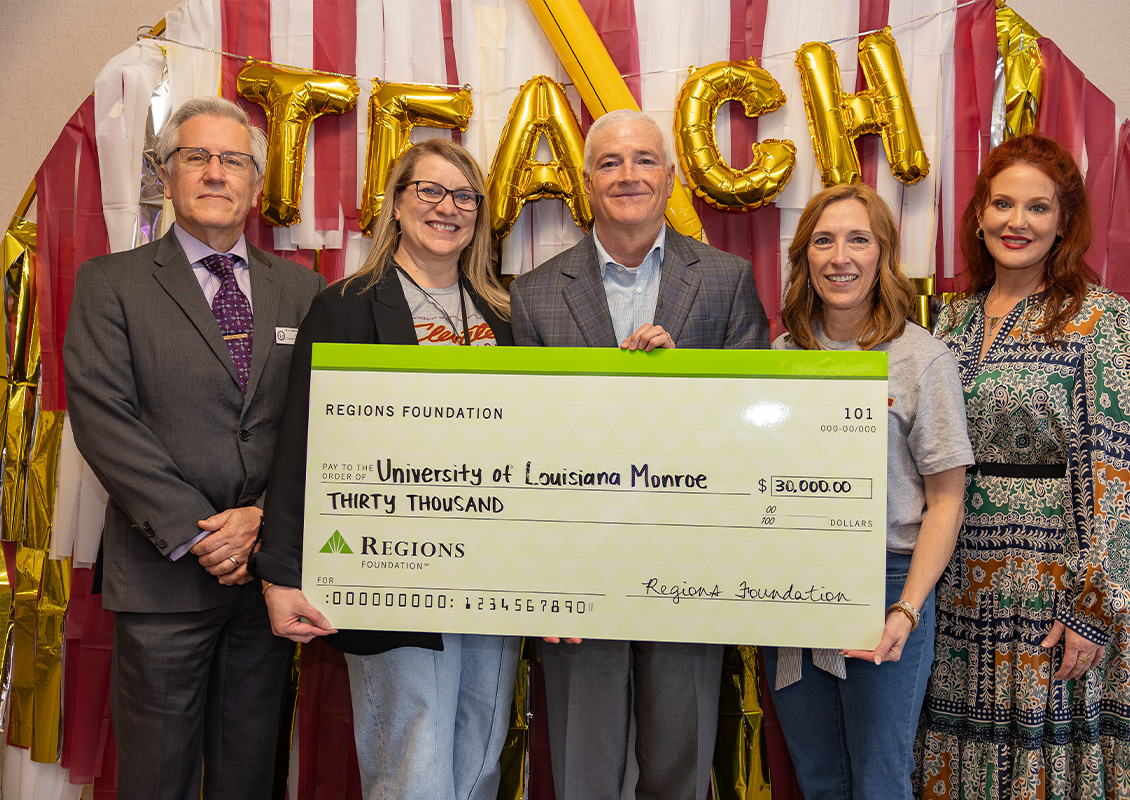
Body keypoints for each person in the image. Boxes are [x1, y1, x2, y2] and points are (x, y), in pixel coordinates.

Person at [62, 96, 325, 799]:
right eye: (197, 157)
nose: (216, 172)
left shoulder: (302, 290)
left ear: (255, 184)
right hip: (162, 576)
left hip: (266, 581)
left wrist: (262, 520)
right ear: (166, 174)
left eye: (232, 159)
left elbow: (319, 424)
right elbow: (103, 420)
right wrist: (201, 535)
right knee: (156, 778)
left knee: (248, 777)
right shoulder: (108, 283)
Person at [509, 109, 769, 800]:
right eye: (610, 163)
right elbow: (521, 449)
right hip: (578, 570)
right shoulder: (533, 295)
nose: (628, 175)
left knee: (679, 770)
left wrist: (686, 382)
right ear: (586, 184)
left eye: (644, 160)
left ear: (671, 176)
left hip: (691, 564)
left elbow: (754, 430)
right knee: (584, 770)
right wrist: (541, 582)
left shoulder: (725, 279)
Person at [249, 137, 519, 800]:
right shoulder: (344, 307)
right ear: (397, 204)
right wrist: (280, 576)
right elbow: (301, 444)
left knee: (480, 764)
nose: (447, 207)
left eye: (463, 196)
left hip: (494, 578)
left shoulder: (504, 316)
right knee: (415, 770)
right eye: (429, 190)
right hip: (390, 570)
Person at [915, 133, 1130, 798]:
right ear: (979, 214)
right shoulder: (949, 322)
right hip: (956, 590)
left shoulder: (1099, 317)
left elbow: (1114, 473)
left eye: (1037, 208)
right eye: (1002, 203)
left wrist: (1091, 607)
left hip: (1052, 590)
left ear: (1064, 223)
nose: (1017, 221)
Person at [762, 183, 973, 799]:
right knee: (820, 778)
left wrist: (906, 609)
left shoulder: (921, 359)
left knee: (880, 782)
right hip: (794, 586)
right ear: (805, 256)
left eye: (859, 239)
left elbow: (948, 499)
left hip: (888, 585)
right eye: (823, 241)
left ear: (883, 255)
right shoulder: (781, 356)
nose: (840, 256)